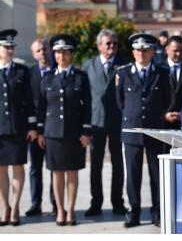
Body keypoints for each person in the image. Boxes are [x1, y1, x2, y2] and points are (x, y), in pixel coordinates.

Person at [116, 33, 171, 228]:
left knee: (156, 174)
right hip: (131, 130)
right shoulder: (122, 73)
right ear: (133, 52)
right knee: (132, 174)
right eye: (138, 50)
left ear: (152, 52)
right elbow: (120, 102)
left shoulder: (162, 73)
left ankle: (157, 211)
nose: (142, 53)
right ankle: (134, 211)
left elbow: (167, 100)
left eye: (146, 50)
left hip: (155, 130)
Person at [37, 34, 92, 226]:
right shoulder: (47, 78)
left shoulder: (81, 77)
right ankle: (60, 210)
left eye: (65, 52)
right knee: (56, 173)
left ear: (71, 54)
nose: (61, 56)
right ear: (54, 55)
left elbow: (87, 106)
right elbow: (41, 107)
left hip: (74, 133)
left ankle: (70, 210)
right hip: (52, 134)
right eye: (58, 53)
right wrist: (40, 131)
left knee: (72, 173)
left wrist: (86, 132)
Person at [81, 29, 127, 217]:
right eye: (108, 43)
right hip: (96, 122)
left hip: (117, 122)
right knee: (96, 165)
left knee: (118, 164)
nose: (112, 47)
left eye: (115, 43)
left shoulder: (124, 65)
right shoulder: (88, 65)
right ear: (99, 45)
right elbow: (83, 96)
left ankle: (118, 202)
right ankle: (96, 203)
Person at [0, 29, 37, 226]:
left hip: (17, 128)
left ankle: (15, 208)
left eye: (12, 47)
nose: (10, 50)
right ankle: (4, 206)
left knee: (18, 167)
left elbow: (29, 102)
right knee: (1, 170)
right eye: (6, 47)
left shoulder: (22, 72)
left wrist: (32, 126)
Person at [26, 39, 56, 217]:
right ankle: (35, 203)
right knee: (35, 168)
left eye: (45, 49)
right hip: (35, 130)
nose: (42, 53)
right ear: (33, 54)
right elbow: (27, 104)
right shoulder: (29, 74)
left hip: (54, 129)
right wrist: (33, 129)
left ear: (50, 50)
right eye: (38, 50)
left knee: (54, 167)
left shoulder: (58, 71)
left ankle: (55, 203)